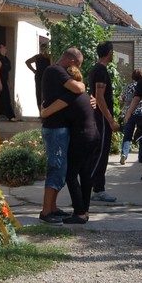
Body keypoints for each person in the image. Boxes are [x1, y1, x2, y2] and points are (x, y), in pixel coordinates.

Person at [40, 65, 98, 224]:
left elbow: (45, 112)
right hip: (93, 136)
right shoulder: (85, 96)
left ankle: (78, 213)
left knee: (70, 174)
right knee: (85, 174)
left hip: (81, 137)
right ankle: (83, 211)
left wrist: (43, 110)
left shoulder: (69, 96)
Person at [38, 48, 85, 225]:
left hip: (59, 128)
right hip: (55, 129)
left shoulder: (56, 73)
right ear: (72, 61)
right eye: (78, 65)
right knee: (56, 168)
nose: (77, 69)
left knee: (60, 169)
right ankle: (45, 211)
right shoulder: (55, 70)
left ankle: (53, 207)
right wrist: (80, 85)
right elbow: (78, 87)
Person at [88, 41, 121, 203]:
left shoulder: (97, 68)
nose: (113, 54)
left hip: (99, 117)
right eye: (112, 51)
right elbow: (99, 97)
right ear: (109, 52)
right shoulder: (100, 69)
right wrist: (111, 121)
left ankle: (97, 189)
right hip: (101, 118)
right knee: (99, 155)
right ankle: (89, 190)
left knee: (101, 154)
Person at [118, 69, 142, 165]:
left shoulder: (127, 86)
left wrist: (124, 101)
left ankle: (124, 154)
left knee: (127, 135)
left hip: (129, 113)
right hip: (141, 113)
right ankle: (141, 156)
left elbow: (121, 98)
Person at [25, 42, 52, 111]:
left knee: (47, 92)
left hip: (48, 77)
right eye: (42, 49)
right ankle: (40, 112)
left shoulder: (50, 57)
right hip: (39, 76)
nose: (43, 50)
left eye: (44, 48)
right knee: (39, 93)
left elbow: (53, 65)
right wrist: (34, 70)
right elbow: (27, 62)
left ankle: (46, 111)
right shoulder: (37, 57)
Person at [0, 44, 18, 121]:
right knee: (5, 98)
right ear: (0, 49)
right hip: (0, 81)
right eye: (4, 47)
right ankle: (10, 116)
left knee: (6, 98)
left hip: (4, 81)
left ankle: (8, 115)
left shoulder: (6, 59)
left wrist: (9, 82)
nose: (5, 48)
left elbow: (6, 72)